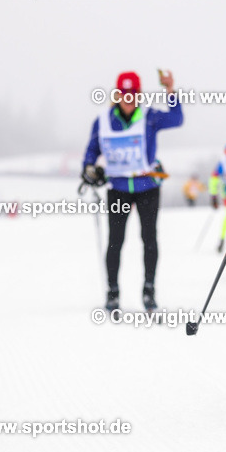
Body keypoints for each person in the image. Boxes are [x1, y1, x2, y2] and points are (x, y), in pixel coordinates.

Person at [82, 70, 184, 312]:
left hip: (147, 187)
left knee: (149, 239)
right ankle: (112, 293)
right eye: (124, 94)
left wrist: (170, 90)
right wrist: (88, 169)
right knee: (115, 241)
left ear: (139, 95)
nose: (128, 98)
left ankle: (149, 292)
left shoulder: (150, 117)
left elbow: (177, 119)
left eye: (133, 94)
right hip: (118, 189)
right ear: (117, 95)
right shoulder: (103, 121)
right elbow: (91, 150)